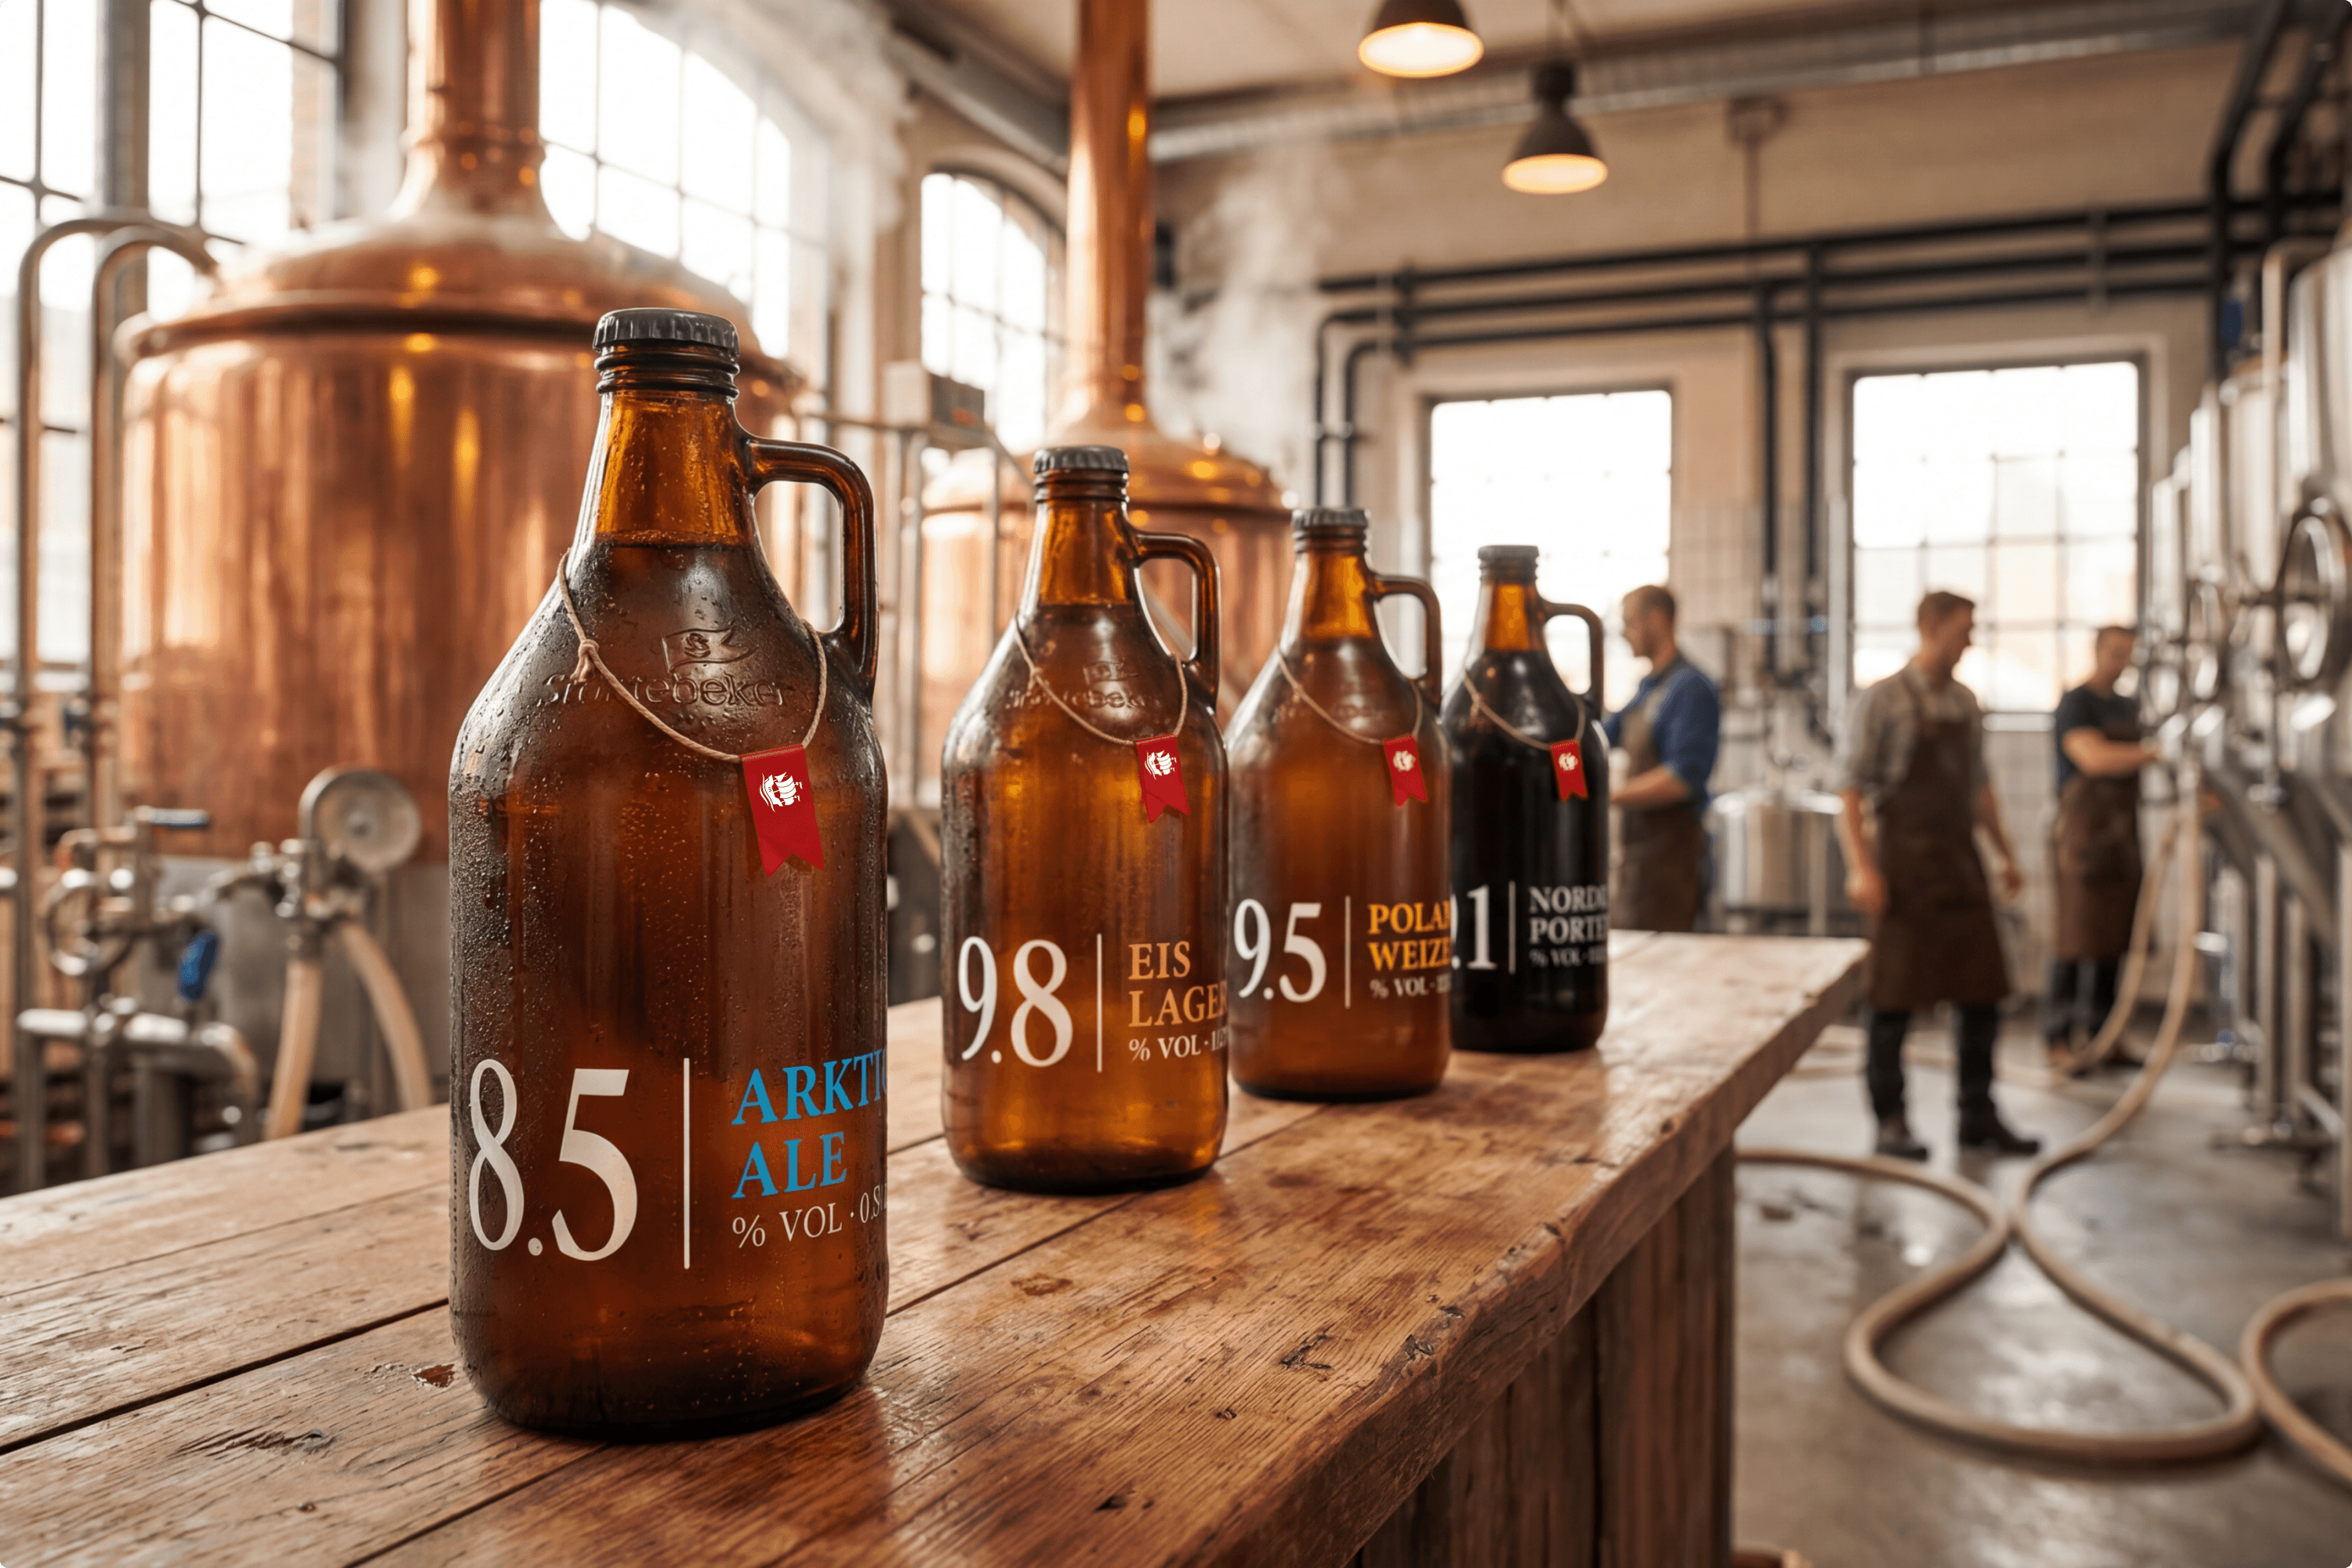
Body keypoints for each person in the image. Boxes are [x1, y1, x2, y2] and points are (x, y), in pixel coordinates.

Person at [1834, 590, 2039, 1160]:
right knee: (1892, 1001)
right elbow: (1849, 787)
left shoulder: (1966, 703)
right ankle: (1891, 1119)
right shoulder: (1883, 702)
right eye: (1962, 629)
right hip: (1903, 869)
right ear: (1930, 627)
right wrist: (1862, 868)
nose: (1970, 640)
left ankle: (1978, 1114)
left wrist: (2004, 852)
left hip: (1960, 866)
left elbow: (1977, 786)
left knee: (1982, 995)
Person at [2045, 626, 2159, 1069]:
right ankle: (2058, 1037)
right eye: (2114, 652)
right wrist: (2154, 752)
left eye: (2128, 653)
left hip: (2121, 834)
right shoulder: (2077, 703)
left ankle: (2105, 1035)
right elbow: (2093, 758)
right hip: (2081, 835)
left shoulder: (2128, 707)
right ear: (2096, 651)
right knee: (2074, 938)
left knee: (2115, 938)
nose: (2121, 661)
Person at [1602, 584, 1720, 931]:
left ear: (1656, 619)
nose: (1624, 634)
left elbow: (1681, 780)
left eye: (1629, 623)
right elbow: (1593, 742)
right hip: (1637, 863)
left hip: (1672, 865)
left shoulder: (1690, 688)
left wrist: (1601, 797)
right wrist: (1563, 759)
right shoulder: (1647, 689)